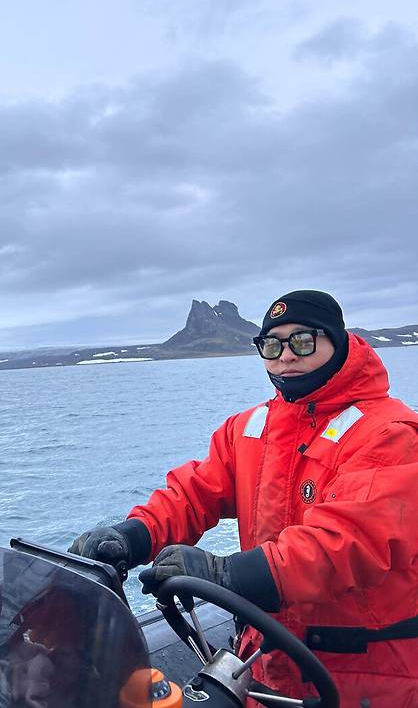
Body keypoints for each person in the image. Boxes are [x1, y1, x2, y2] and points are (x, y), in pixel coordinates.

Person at [69, 291, 418, 706]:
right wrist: (134, 535)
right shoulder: (249, 428)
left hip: (361, 677)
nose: (285, 355)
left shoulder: (389, 434)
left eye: (302, 341)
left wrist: (225, 575)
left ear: (337, 341)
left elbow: (347, 543)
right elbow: (194, 494)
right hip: (264, 662)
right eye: (271, 345)